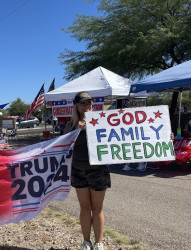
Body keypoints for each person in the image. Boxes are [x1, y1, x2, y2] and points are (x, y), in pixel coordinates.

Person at [64, 92, 110, 250]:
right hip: (78, 171)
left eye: (89, 103)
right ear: (76, 106)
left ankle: (98, 243)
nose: (86, 106)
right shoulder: (70, 126)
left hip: (98, 171)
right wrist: (76, 129)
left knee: (97, 208)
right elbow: (62, 147)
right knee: (84, 208)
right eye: (83, 103)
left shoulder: (102, 122)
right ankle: (86, 242)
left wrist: (162, 136)